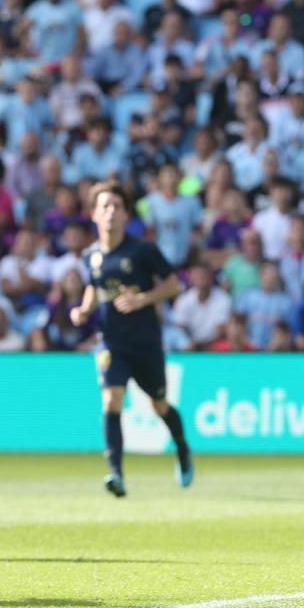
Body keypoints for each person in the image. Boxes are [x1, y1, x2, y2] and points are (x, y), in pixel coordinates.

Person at [71, 182, 193, 498]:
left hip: (145, 342)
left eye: (117, 206)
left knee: (159, 404)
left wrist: (144, 299)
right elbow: (95, 286)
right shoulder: (91, 256)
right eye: (105, 206)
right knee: (111, 399)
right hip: (111, 341)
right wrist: (83, 310)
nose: (111, 211)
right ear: (95, 214)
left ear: (126, 214)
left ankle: (181, 448)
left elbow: (173, 286)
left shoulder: (142, 250)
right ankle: (116, 473)